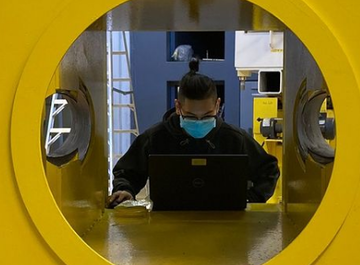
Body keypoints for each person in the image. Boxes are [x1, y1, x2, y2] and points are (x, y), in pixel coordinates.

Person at [108, 59, 279, 207]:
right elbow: (127, 173)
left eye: (206, 116)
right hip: (166, 226)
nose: (198, 122)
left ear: (217, 105)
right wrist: (125, 191)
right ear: (178, 106)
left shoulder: (234, 138)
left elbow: (268, 170)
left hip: (224, 226)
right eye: (190, 116)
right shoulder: (155, 138)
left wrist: (250, 199)